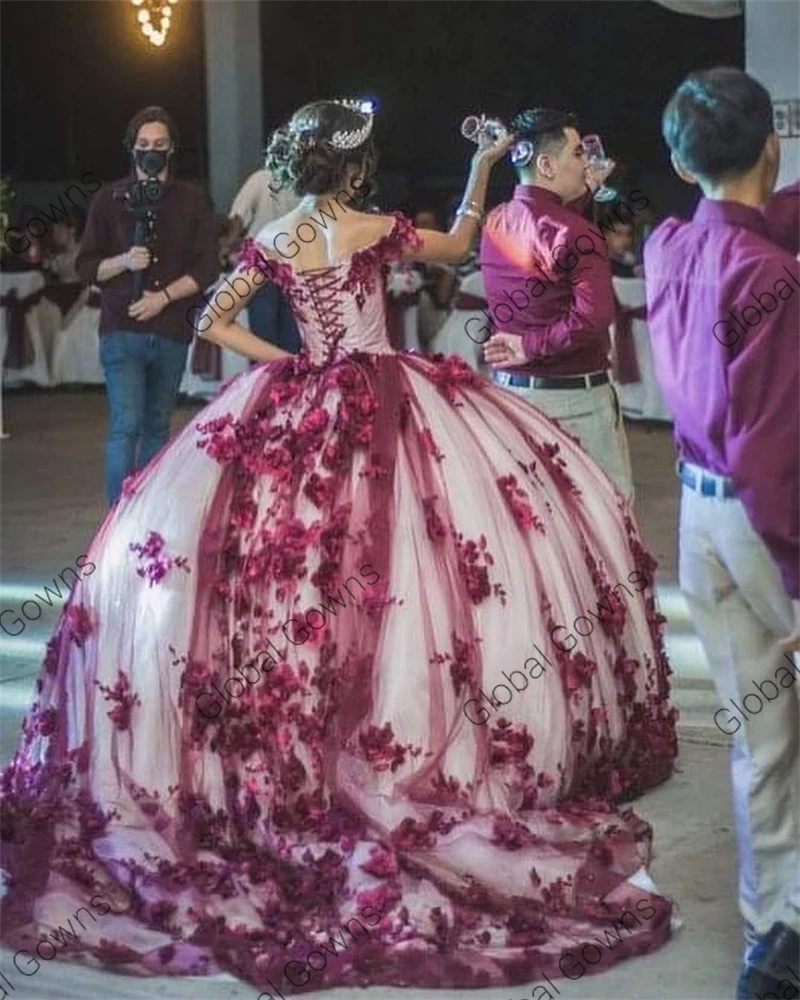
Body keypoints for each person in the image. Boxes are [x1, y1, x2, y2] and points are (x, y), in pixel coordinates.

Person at [0, 99, 677, 996]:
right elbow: (459, 247)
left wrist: (281, 366)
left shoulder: (281, 230)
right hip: (387, 395)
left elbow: (211, 322)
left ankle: (308, 733)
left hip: (304, 392)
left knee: (294, 573)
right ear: (353, 169)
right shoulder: (365, 224)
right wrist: (476, 175)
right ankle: (398, 727)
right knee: (412, 564)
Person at [645, 67, 799, 1000]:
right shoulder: (774, 275)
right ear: (774, 146)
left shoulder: (668, 246)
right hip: (761, 521)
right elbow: (773, 446)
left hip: (699, 519)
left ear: (676, 159)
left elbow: (753, 217)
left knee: (761, 738)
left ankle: (769, 934)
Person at [481, 108, 634, 500]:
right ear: (547, 164)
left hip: (512, 395)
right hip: (575, 401)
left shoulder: (496, 220)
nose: (587, 163)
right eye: (578, 154)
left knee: (538, 529)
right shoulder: (576, 232)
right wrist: (530, 345)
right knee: (606, 525)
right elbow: (594, 317)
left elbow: (550, 239)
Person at [75, 105, 217, 505]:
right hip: (121, 330)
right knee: (127, 423)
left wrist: (163, 297)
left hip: (171, 328)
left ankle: (149, 513)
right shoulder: (108, 199)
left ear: (171, 149)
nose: (150, 151)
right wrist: (123, 260)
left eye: (158, 144)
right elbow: (85, 266)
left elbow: (206, 267)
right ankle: (118, 518)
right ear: (131, 148)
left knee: (157, 424)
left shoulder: (193, 200)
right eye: (142, 144)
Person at [229, 166, 302, 354]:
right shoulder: (307, 185)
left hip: (261, 267)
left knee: (262, 338)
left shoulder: (261, 178)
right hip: (295, 270)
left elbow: (238, 218)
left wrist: (227, 248)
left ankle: (265, 379)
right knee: (292, 338)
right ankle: (288, 379)